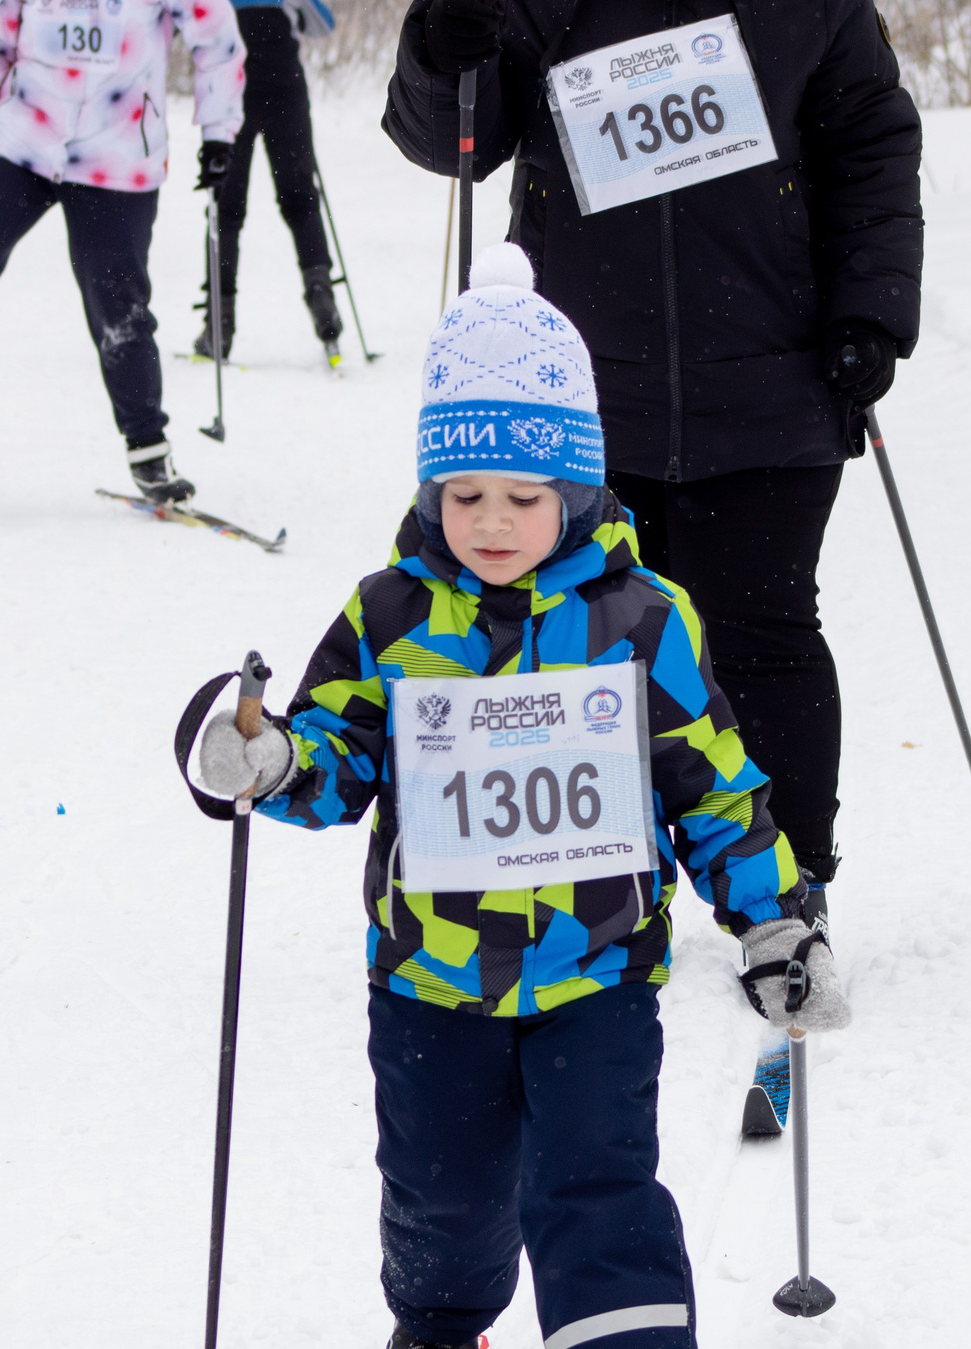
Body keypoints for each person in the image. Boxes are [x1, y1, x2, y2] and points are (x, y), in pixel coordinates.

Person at [189, 246, 850, 1349]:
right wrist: (268, 761)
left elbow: (712, 782)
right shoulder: (388, 617)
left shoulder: (643, 619)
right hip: (429, 978)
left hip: (594, 972)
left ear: (579, 486)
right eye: (465, 492)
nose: (490, 521)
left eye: (523, 495)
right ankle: (439, 1325)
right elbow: (333, 759)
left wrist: (773, 916)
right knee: (438, 1184)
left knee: (597, 1185)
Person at [382, 0, 923, 919]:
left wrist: (870, 310)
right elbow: (455, 144)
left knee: (761, 633)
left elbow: (869, 140)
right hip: (583, 394)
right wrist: (441, 48)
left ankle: (789, 894)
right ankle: (601, 886)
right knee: (592, 648)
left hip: (772, 368)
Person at [0, 0, 246, 502]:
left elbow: (217, 40)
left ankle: (148, 450)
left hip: (118, 155)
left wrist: (218, 134)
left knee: (118, 307)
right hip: (26, 141)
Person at [198, 0, 343, 364]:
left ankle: (220, 321)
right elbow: (324, 25)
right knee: (301, 200)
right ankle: (320, 292)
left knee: (226, 208)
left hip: (233, 86)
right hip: (284, 85)